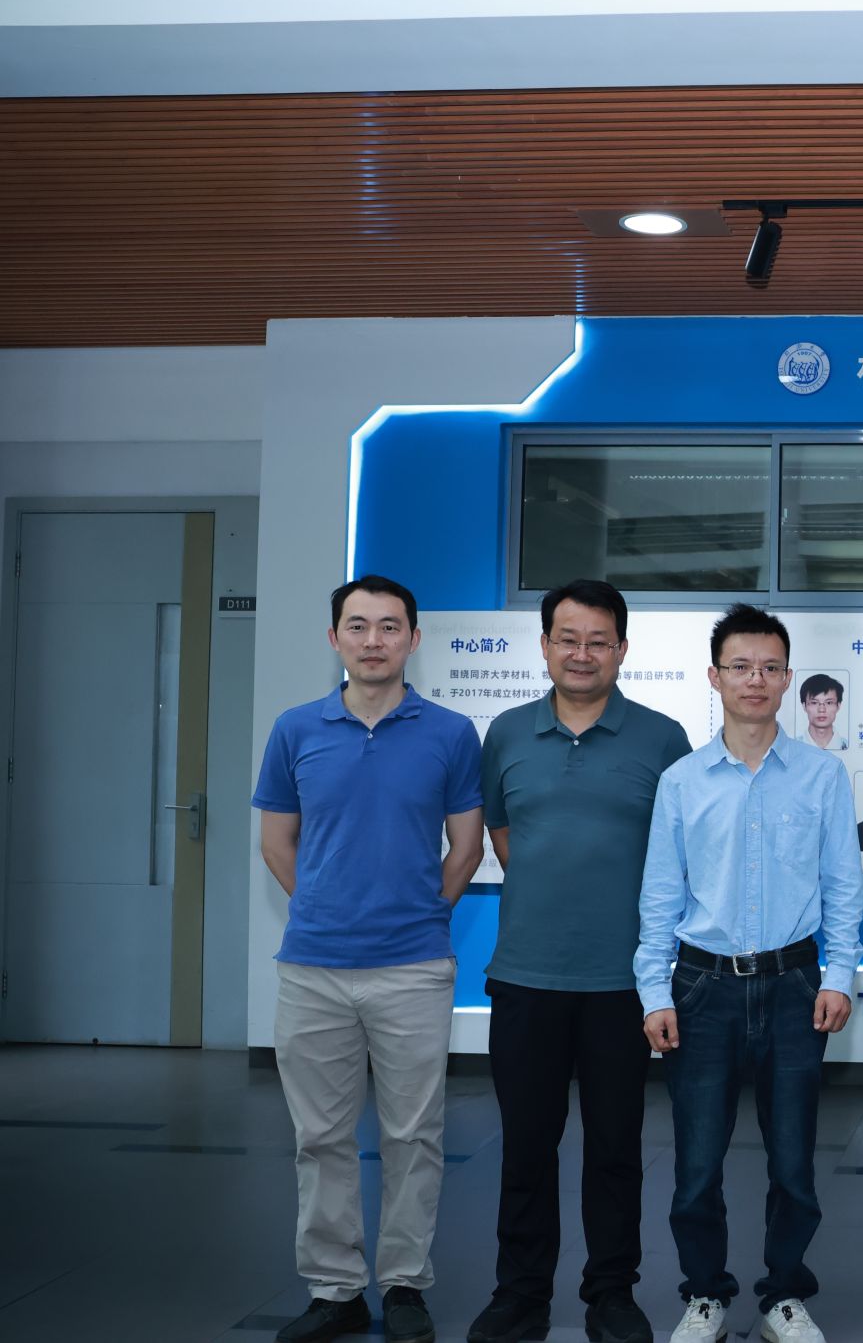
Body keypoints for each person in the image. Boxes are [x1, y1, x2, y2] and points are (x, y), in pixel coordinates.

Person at [253, 575, 485, 1343]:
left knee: (412, 1135)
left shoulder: (450, 733)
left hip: (413, 966)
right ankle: (335, 1289)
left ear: (413, 639)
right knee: (319, 1137)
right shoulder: (295, 729)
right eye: (358, 625)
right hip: (312, 967)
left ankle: (405, 1282)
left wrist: (421, 913)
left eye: (390, 626)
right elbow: (276, 841)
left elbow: (466, 846)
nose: (374, 639)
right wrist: (325, 905)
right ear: (335, 638)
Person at [467, 580, 693, 1343]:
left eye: (599, 640)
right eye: (568, 638)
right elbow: (505, 837)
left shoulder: (662, 739)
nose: (582, 653)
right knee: (526, 1146)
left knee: (616, 1147)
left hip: (623, 984)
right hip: (525, 976)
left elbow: (677, 857)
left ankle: (612, 1292)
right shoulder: (506, 733)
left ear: (622, 649)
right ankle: (520, 1292)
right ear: (544, 645)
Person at [637, 604, 863, 1343]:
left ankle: (782, 1296)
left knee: (794, 1161)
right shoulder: (682, 780)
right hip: (702, 988)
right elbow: (661, 894)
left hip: (795, 984)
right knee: (697, 1162)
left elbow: (843, 884)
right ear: (715, 676)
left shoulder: (823, 775)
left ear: (788, 678)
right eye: (740, 666)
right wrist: (654, 989)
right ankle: (705, 1294)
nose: (755, 679)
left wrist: (839, 973)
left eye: (769, 667)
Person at [798, 673, 847, 750]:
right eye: (814, 703)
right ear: (804, 706)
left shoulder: (849, 746)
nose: (821, 710)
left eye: (829, 703)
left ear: (838, 706)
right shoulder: (793, 746)